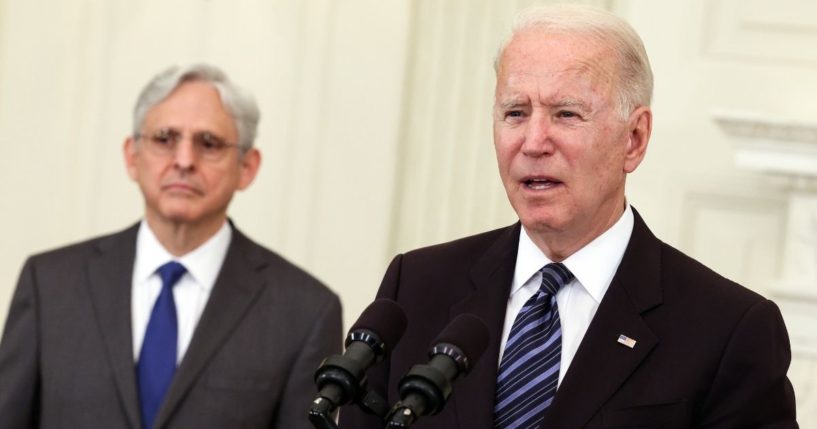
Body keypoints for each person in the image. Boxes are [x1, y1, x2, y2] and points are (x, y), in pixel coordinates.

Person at [339, 5, 797, 429]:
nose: (534, 141)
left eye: (566, 114)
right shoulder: (417, 286)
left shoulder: (729, 330)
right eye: (515, 113)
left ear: (634, 139)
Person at [0, 64, 342, 429]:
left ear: (247, 167)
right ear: (132, 156)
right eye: (165, 138)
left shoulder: (304, 312)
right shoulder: (50, 285)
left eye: (208, 143)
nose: (184, 160)